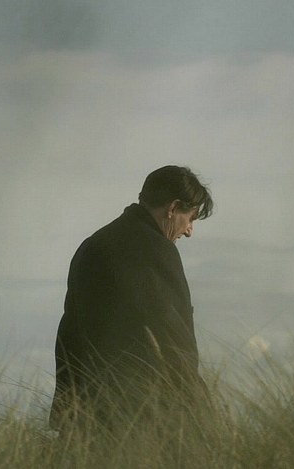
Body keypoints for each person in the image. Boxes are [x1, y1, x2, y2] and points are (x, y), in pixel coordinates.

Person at [50, 165, 214, 430]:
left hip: (87, 416)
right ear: (173, 208)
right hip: (143, 420)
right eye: (190, 218)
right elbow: (174, 343)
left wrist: (67, 414)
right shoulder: (157, 251)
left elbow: (69, 334)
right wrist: (203, 418)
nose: (189, 230)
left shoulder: (92, 245)